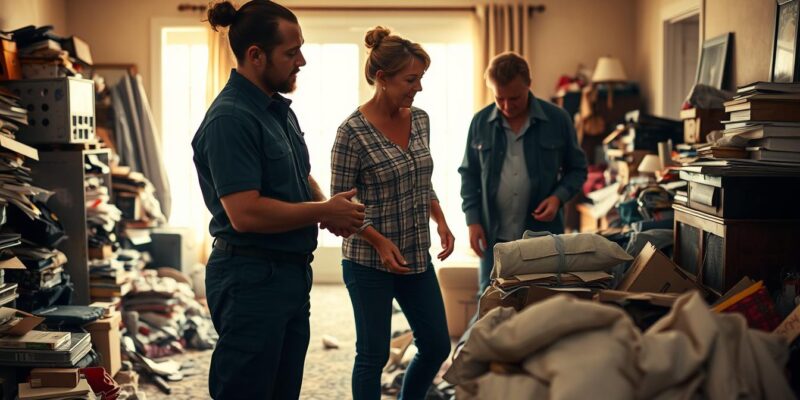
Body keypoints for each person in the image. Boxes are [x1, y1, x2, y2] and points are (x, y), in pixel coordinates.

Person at [192, 1, 365, 399]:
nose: (301, 60)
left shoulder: (276, 109)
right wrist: (323, 210)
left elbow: (297, 174)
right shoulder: (231, 119)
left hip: (288, 276)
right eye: (291, 52)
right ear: (255, 55)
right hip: (250, 279)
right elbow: (245, 213)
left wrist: (327, 207)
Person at [330, 26, 454, 400]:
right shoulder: (351, 132)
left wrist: (442, 219)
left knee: (436, 346)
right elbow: (341, 204)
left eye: (421, 79)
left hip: (416, 255)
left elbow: (421, 177)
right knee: (373, 355)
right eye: (411, 79)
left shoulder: (420, 119)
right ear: (382, 78)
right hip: (368, 262)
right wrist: (378, 241)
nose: (418, 88)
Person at [459, 51, 588, 297]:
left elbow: (578, 169)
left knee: (539, 304)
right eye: (500, 98)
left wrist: (558, 197)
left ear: (529, 85)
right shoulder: (480, 122)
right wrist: (472, 220)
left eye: (515, 97)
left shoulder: (557, 119)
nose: (507, 106)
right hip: (493, 238)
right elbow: (469, 174)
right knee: (490, 302)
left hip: (543, 238)